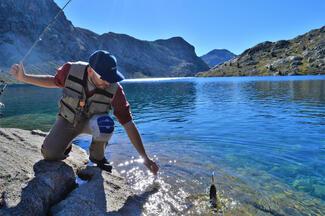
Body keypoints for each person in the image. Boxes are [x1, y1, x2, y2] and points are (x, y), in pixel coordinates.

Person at [10, 50, 159, 175]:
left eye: (111, 78)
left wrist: (145, 158)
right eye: (105, 78)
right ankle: (66, 144)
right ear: (90, 71)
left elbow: (128, 123)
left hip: (93, 124)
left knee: (106, 123)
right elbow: (53, 81)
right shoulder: (70, 70)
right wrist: (24, 78)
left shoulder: (116, 89)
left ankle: (97, 157)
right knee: (50, 154)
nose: (108, 82)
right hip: (68, 120)